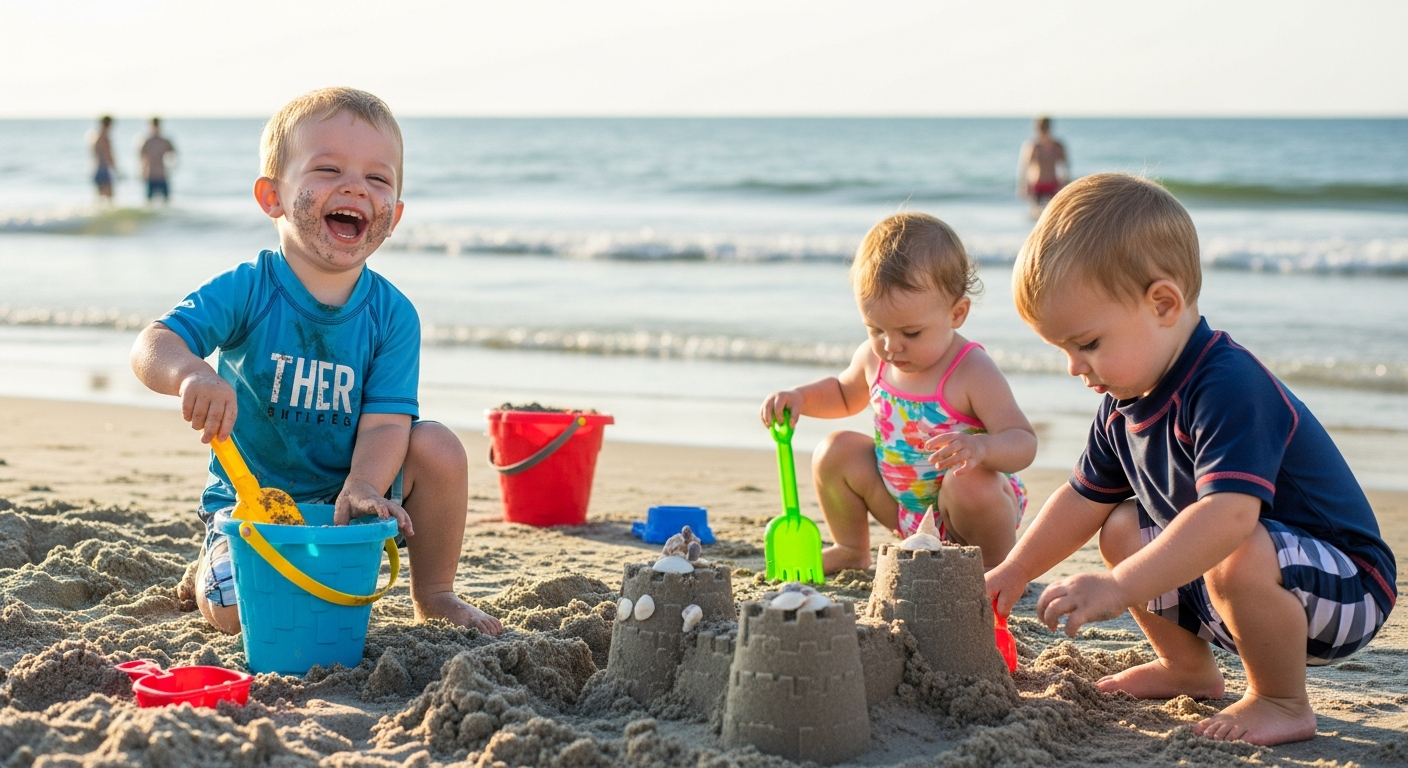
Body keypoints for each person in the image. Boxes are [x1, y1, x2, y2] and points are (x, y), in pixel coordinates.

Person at [987, 173, 1395, 746]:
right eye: (1063, 350)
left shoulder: (1228, 384)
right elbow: (1081, 499)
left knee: (1235, 544)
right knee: (1121, 524)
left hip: (1347, 587)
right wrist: (1016, 570)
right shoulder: (1121, 406)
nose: (1075, 367)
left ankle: (1280, 699)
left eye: (1088, 344)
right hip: (1240, 585)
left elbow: (1229, 517)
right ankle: (1189, 669)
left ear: (1162, 304)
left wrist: (1119, 587)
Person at [130, 87, 503, 637]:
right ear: (271, 197)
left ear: (393, 215)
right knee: (236, 615)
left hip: (349, 506)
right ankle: (212, 555)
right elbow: (151, 343)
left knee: (439, 446)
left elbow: (384, 422)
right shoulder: (249, 289)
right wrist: (191, 373)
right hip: (251, 509)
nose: (355, 186)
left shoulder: (393, 316)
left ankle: (435, 595)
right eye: (327, 169)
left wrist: (365, 487)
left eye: (378, 179)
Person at [760, 213, 1037, 573]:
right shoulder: (874, 359)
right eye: (876, 329)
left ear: (957, 313)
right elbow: (845, 394)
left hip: (969, 515)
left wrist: (982, 449)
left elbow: (1023, 441)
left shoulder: (971, 370)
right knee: (835, 450)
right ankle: (850, 548)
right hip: (903, 508)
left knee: (970, 481)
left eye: (911, 333)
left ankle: (997, 573)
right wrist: (801, 398)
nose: (891, 346)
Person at [1017, 116, 1068, 216]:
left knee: (1053, 215)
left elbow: (1065, 167)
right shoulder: (1033, 146)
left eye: (1045, 127)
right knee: (1037, 216)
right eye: (1042, 127)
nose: (1043, 129)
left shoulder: (1057, 146)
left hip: (1052, 185)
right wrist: (1023, 185)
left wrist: (1064, 183)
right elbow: (1024, 167)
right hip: (1037, 186)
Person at [139, 117, 177, 205]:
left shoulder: (164, 141)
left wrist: (170, 168)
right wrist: (142, 172)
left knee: (167, 203)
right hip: (151, 175)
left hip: (161, 175)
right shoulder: (147, 142)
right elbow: (142, 159)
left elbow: (173, 155)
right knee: (148, 203)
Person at [90, 115, 116, 203]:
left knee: (99, 199)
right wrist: (116, 169)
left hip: (96, 169)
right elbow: (109, 156)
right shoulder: (105, 139)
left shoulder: (94, 137)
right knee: (110, 199)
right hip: (104, 170)